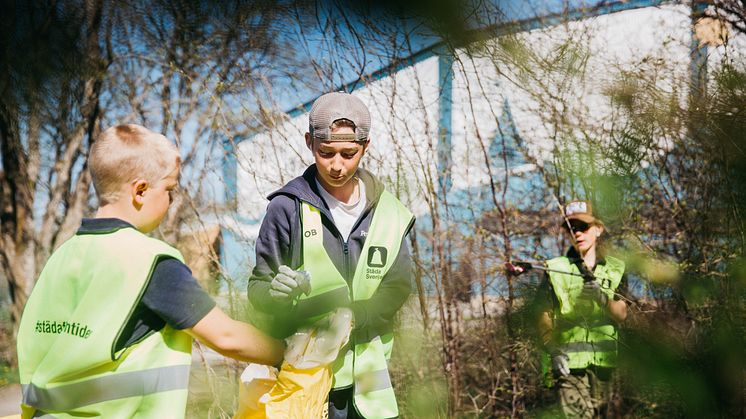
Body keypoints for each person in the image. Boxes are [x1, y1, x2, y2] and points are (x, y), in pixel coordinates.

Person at [16, 124, 285, 419]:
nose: (170, 201)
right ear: (140, 190)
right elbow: (226, 336)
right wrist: (290, 351)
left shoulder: (62, 257)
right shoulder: (150, 262)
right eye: (169, 189)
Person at [247, 91, 415, 419]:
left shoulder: (390, 212)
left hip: (370, 385)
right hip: (307, 383)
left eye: (348, 153)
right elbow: (258, 290)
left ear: (366, 146)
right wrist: (274, 294)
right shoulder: (286, 208)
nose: (337, 165)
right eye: (326, 153)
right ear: (310, 142)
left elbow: (398, 287)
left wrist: (356, 318)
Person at [537, 200, 628, 418]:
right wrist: (553, 350)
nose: (577, 233)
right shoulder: (555, 268)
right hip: (569, 367)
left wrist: (603, 300)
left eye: (583, 227)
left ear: (598, 229)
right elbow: (543, 315)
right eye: (571, 228)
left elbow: (622, 314)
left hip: (604, 368)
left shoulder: (615, 269)